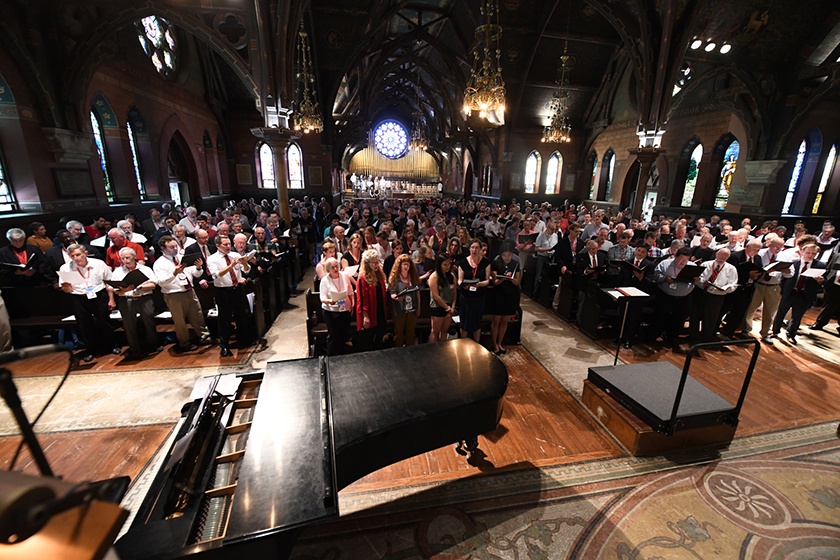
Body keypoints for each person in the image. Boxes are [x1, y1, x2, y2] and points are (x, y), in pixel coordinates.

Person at [58, 244, 120, 361]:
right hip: (79, 297)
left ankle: (112, 346)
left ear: (85, 253)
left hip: (98, 295)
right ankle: (91, 350)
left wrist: (111, 299)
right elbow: (67, 290)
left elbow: (108, 282)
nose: (76, 258)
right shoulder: (65, 268)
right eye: (72, 256)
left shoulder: (98, 264)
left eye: (78, 255)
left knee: (104, 321)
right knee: (84, 324)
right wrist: (66, 287)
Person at [154, 235, 211, 353]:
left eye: (176, 246)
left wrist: (198, 268)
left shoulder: (181, 258)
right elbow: (161, 283)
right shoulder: (159, 263)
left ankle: (204, 338)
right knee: (180, 321)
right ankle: (184, 343)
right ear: (163, 248)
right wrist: (174, 273)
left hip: (189, 291)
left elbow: (194, 274)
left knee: (197, 315)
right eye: (171, 247)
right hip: (174, 294)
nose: (175, 249)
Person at [208, 235, 255, 356]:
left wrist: (245, 263)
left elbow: (246, 270)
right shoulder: (212, 259)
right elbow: (216, 275)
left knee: (241, 315)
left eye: (229, 244)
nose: (229, 246)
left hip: (237, 289)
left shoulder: (235, 255)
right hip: (223, 291)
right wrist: (231, 266)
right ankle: (224, 346)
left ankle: (244, 341)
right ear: (218, 246)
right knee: (224, 319)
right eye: (225, 245)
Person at [109, 247, 159, 360]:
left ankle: (153, 345)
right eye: (123, 258)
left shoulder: (145, 269)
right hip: (126, 299)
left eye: (128, 257)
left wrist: (139, 286)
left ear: (134, 256)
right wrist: (124, 290)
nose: (126, 260)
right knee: (129, 325)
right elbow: (115, 289)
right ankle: (134, 349)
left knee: (149, 321)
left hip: (144, 297)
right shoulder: (118, 271)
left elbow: (153, 285)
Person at [772, 243, 825, 345]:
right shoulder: (793, 262)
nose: (810, 255)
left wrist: (820, 280)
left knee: (797, 316)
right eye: (808, 252)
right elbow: (783, 279)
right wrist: (782, 291)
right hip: (790, 292)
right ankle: (775, 331)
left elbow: (824, 281)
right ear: (802, 252)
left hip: (804, 294)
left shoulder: (820, 265)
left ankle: (791, 334)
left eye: (813, 253)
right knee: (780, 313)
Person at [744, 236, 791, 343]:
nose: (778, 249)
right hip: (759, 284)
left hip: (774, 286)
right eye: (775, 247)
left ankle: (765, 333)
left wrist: (787, 272)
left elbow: (790, 274)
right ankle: (746, 329)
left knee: (769, 311)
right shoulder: (760, 253)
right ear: (769, 244)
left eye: (780, 247)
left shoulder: (785, 256)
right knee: (751, 308)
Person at [652, 247, 700, 348]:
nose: (683, 263)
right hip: (666, 296)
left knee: (679, 319)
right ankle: (654, 336)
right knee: (661, 316)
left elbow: (700, 280)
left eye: (686, 260)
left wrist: (697, 279)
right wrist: (665, 278)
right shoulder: (665, 264)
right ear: (675, 257)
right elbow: (655, 276)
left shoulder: (692, 267)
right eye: (681, 260)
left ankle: (672, 338)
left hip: (684, 298)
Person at [694, 247, 739, 343]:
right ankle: (693, 335)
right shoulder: (706, 264)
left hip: (717, 296)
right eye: (721, 255)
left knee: (711, 317)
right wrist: (702, 282)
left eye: (726, 256)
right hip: (702, 293)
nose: (723, 257)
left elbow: (733, 284)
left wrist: (725, 288)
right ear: (716, 254)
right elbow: (699, 277)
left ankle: (706, 338)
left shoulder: (731, 269)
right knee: (697, 314)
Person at [488, 243, 521, 355]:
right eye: (504, 255)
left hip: (510, 294)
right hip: (499, 294)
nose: (507, 258)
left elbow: (517, 281)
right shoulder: (496, 263)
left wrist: (511, 279)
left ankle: (500, 342)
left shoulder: (515, 264)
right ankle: (494, 344)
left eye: (509, 255)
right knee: (496, 321)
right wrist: (504, 278)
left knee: (505, 321)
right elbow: (495, 281)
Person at [457, 239, 492, 342]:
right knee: (465, 321)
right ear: (469, 249)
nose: (474, 250)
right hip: (466, 296)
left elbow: (487, 280)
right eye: (472, 247)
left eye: (477, 248)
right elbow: (459, 280)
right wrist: (464, 285)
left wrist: (479, 284)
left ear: (480, 249)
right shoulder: (463, 263)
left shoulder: (486, 262)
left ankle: (476, 344)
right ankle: (463, 344)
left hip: (479, 296)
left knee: (477, 321)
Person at [355, 248, 388, 352]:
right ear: (367, 263)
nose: (375, 265)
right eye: (373, 263)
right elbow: (362, 298)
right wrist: (365, 316)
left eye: (376, 262)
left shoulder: (379, 274)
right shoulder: (362, 277)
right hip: (369, 312)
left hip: (380, 309)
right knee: (368, 338)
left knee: (380, 334)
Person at [319, 257, 354, 356]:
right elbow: (322, 297)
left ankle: (342, 356)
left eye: (336, 266)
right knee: (334, 335)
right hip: (331, 311)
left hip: (344, 310)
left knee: (343, 334)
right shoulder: (325, 280)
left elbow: (350, 291)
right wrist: (330, 301)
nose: (335, 269)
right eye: (332, 267)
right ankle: (331, 358)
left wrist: (352, 304)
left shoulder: (344, 276)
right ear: (328, 270)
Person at [388, 254, 421, 347]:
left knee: (411, 332)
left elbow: (417, 292)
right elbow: (392, 293)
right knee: (399, 333)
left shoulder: (413, 277)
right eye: (404, 264)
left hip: (412, 309)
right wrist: (396, 297)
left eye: (407, 264)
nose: (406, 267)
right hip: (399, 309)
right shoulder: (395, 278)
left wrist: (418, 307)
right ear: (399, 265)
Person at [428, 253, 457, 343]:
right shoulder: (434, 277)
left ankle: (442, 351)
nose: (447, 267)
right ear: (439, 264)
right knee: (435, 332)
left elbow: (454, 292)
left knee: (444, 331)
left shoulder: (451, 276)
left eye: (449, 264)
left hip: (449, 306)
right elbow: (436, 296)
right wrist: (447, 308)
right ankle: (433, 351)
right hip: (438, 307)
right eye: (445, 265)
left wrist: (452, 307)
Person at [810, 247, 840, 333]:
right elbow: (828, 268)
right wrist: (824, 281)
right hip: (833, 284)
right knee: (828, 304)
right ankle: (820, 323)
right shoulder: (837, 255)